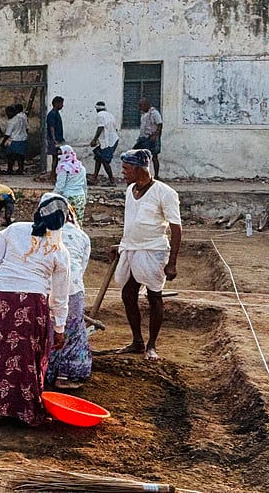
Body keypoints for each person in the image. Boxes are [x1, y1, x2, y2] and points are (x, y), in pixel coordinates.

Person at [0, 194, 72, 426]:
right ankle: (24, 409)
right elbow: (59, 295)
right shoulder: (59, 250)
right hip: (32, 301)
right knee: (26, 356)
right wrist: (59, 327)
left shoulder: (14, 230)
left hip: (1, 295)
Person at [109, 149, 181, 361]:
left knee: (154, 297)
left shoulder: (165, 193)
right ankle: (137, 341)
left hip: (153, 251)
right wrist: (120, 245)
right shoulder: (130, 190)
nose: (123, 172)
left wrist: (172, 263)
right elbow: (132, 222)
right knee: (128, 294)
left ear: (140, 169)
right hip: (131, 249)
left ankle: (151, 346)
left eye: (126, 168)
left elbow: (176, 229)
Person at [46, 202, 92, 389]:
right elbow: (82, 268)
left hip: (45, 289)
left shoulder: (43, 233)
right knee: (72, 332)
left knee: (47, 331)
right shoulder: (82, 236)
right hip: (72, 289)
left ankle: (43, 372)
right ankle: (66, 375)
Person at [89, 101, 120, 186]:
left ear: (96, 109)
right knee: (98, 157)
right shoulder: (110, 115)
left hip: (108, 142)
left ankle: (112, 181)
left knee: (105, 161)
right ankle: (94, 177)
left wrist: (94, 140)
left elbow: (100, 127)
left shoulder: (100, 115)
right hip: (112, 140)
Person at [53, 145, 88, 218]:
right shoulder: (81, 167)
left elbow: (60, 186)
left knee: (66, 223)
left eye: (61, 154)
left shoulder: (63, 168)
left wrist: (52, 196)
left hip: (67, 197)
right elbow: (84, 186)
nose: (59, 156)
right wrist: (84, 198)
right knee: (78, 222)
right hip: (80, 198)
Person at [134, 98, 164, 179]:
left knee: (154, 156)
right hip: (143, 137)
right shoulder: (144, 114)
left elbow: (160, 125)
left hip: (152, 137)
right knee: (137, 154)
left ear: (146, 105)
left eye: (141, 105)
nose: (140, 108)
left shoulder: (154, 113)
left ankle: (156, 175)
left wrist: (155, 135)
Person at [2, 103, 30, 174]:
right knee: (20, 156)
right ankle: (20, 169)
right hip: (23, 139)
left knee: (10, 156)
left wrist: (2, 142)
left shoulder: (11, 122)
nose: (7, 115)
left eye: (8, 113)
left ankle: (10, 169)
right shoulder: (23, 117)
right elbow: (27, 128)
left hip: (14, 140)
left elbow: (7, 134)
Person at [45, 97, 65, 173]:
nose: (62, 105)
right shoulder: (52, 114)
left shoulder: (56, 113)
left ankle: (54, 173)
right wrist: (54, 139)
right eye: (61, 103)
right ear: (57, 103)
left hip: (58, 138)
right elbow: (51, 127)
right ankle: (53, 174)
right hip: (54, 139)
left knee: (57, 157)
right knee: (55, 157)